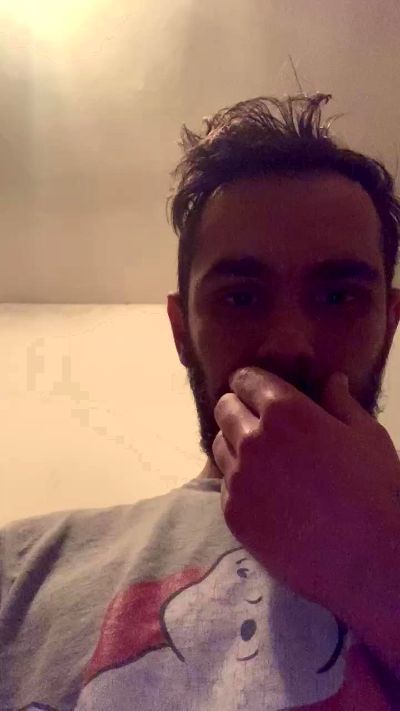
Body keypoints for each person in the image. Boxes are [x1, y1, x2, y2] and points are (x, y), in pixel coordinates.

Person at [1, 92, 400, 710]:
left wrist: (378, 559)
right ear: (181, 330)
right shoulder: (19, 567)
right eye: (240, 297)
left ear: (390, 325)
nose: (289, 343)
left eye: (339, 297)